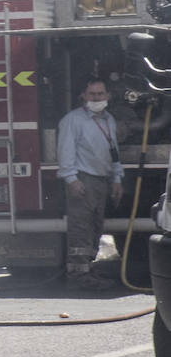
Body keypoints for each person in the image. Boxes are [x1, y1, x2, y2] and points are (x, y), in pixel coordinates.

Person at [57, 77, 123, 291]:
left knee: (96, 226)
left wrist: (117, 179)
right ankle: (77, 274)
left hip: (102, 180)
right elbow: (65, 151)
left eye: (100, 94)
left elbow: (114, 153)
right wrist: (71, 179)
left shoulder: (109, 120)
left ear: (108, 96)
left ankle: (88, 269)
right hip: (83, 179)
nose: (97, 98)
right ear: (83, 97)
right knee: (81, 227)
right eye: (92, 94)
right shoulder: (72, 120)